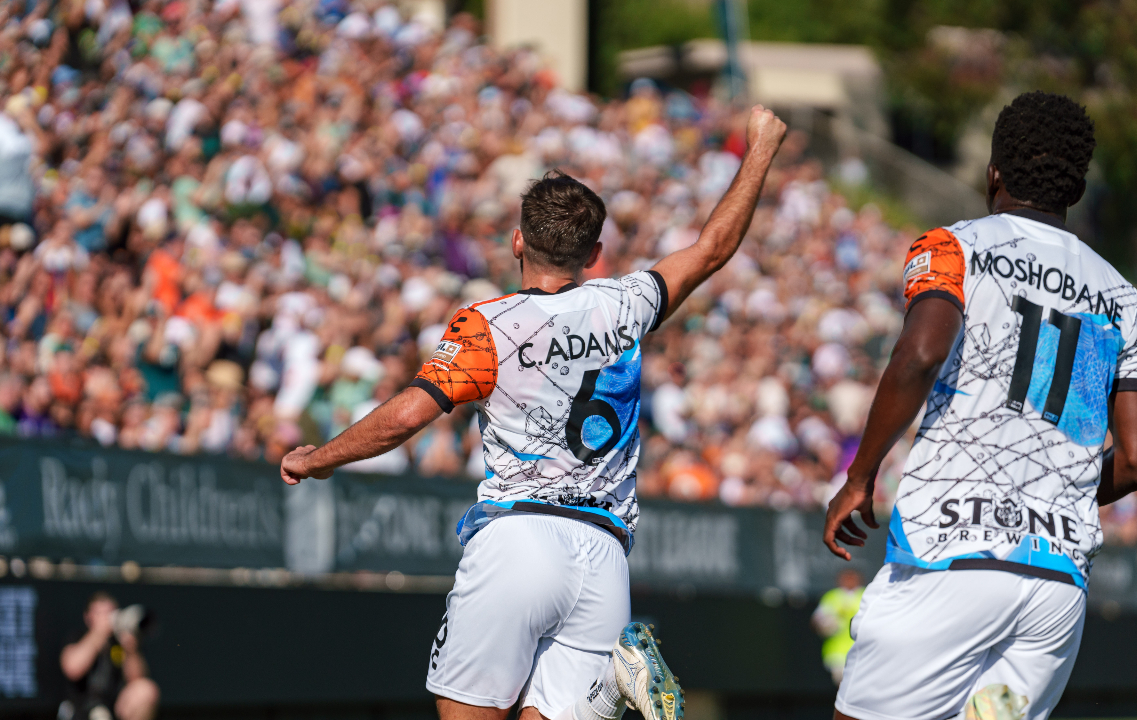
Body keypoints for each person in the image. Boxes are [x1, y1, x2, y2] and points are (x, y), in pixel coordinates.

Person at [280, 106, 788, 720]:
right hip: (604, 557)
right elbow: (712, 248)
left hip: (518, 536)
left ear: (518, 240)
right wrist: (761, 144)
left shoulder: (489, 326)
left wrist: (320, 459)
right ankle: (608, 686)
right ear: (594, 253)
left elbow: (407, 417)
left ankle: (607, 690)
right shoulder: (629, 302)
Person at [822, 92, 1137, 720]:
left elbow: (921, 354)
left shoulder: (954, 247)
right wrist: (1055, 496)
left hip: (951, 556)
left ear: (994, 174)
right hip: (1056, 587)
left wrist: (860, 474)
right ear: (1076, 188)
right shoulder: (1121, 296)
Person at [59, 593, 160, 720]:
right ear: (88, 617)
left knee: (146, 690)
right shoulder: (77, 637)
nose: (107, 618)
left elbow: (137, 680)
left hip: (114, 707)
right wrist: (98, 634)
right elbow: (72, 669)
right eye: (100, 613)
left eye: (111, 612)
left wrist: (131, 650)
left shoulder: (120, 641)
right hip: (82, 709)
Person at [811, 568, 863, 684]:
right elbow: (816, 621)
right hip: (838, 653)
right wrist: (824, 625)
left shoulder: (867, 595)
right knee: (844, 687)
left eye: (852, 578)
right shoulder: (831, 597)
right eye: (846, 578)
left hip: (864, 651)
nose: (849, 581)